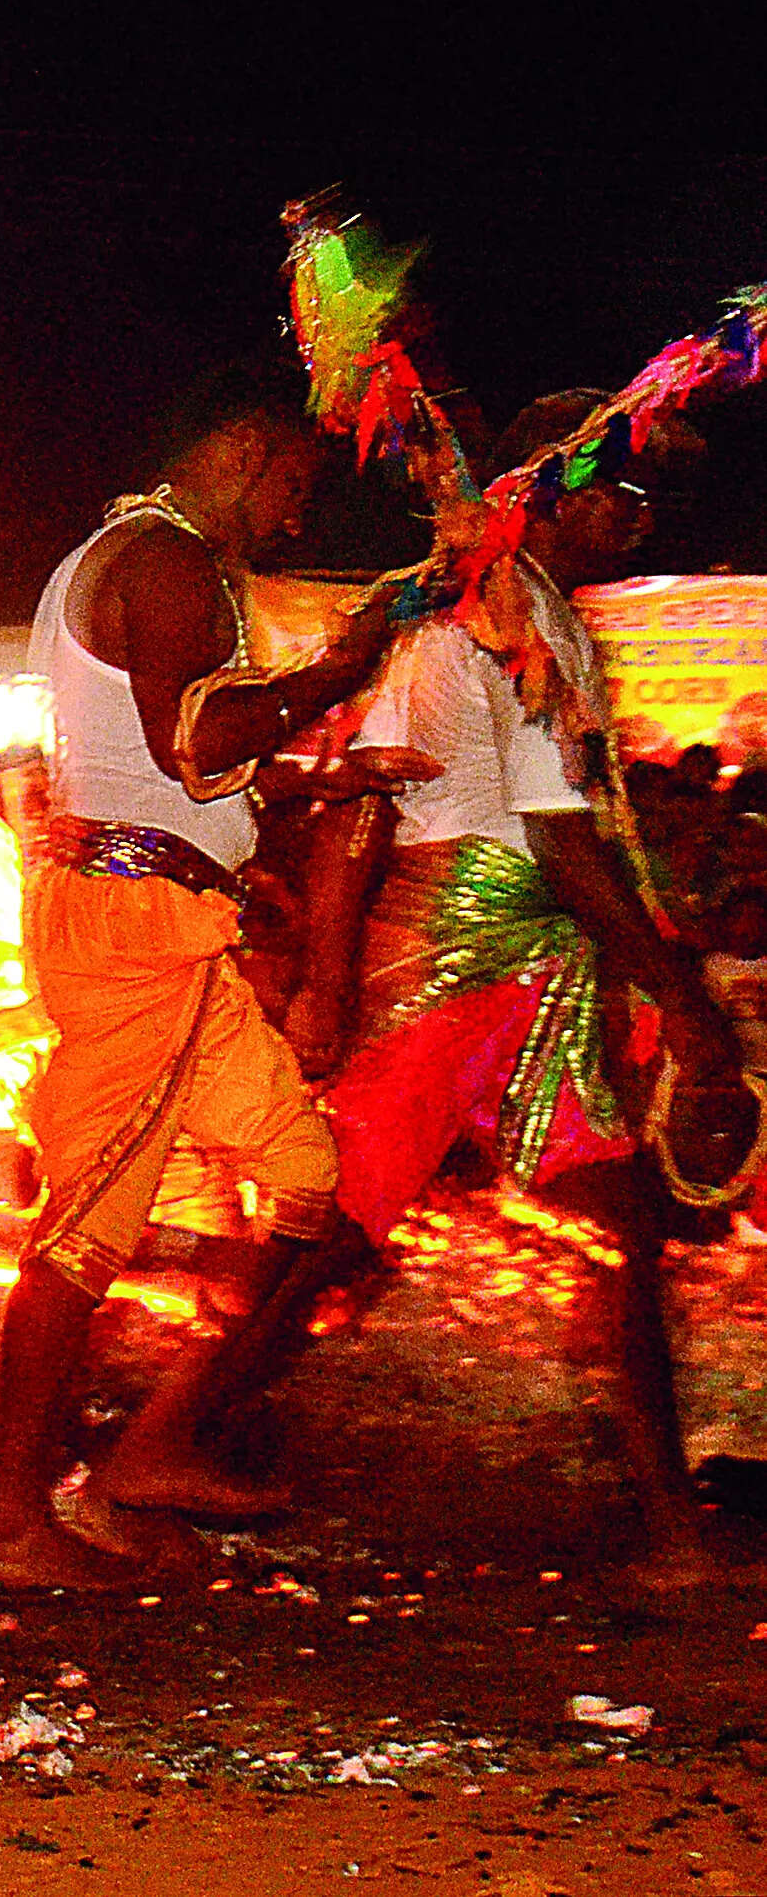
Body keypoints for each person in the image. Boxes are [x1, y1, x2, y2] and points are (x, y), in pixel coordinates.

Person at [0, 355, 408, 1587]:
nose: (297, 516)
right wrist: (334, 675)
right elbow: (193, 745)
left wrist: (323, 780)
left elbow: (183, 766)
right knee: (81, 1228)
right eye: (296, 481)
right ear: (238, 448)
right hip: (133, 928)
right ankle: (10, 1524)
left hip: (168, 919)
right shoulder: (165, 560)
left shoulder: (143, 556)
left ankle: (151, 1450)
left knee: (302, 1172)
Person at [317, 391, 750, 1585]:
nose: (644, 518)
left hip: (512, 953)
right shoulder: (491, 614)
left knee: (624, 1232)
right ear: (551, 497)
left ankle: (670, 1530)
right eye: (626, 492)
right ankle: (154, 1442)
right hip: (464, 954)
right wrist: (680, 996)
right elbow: (544, 838)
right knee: (333, 1234)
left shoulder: (518, 607)